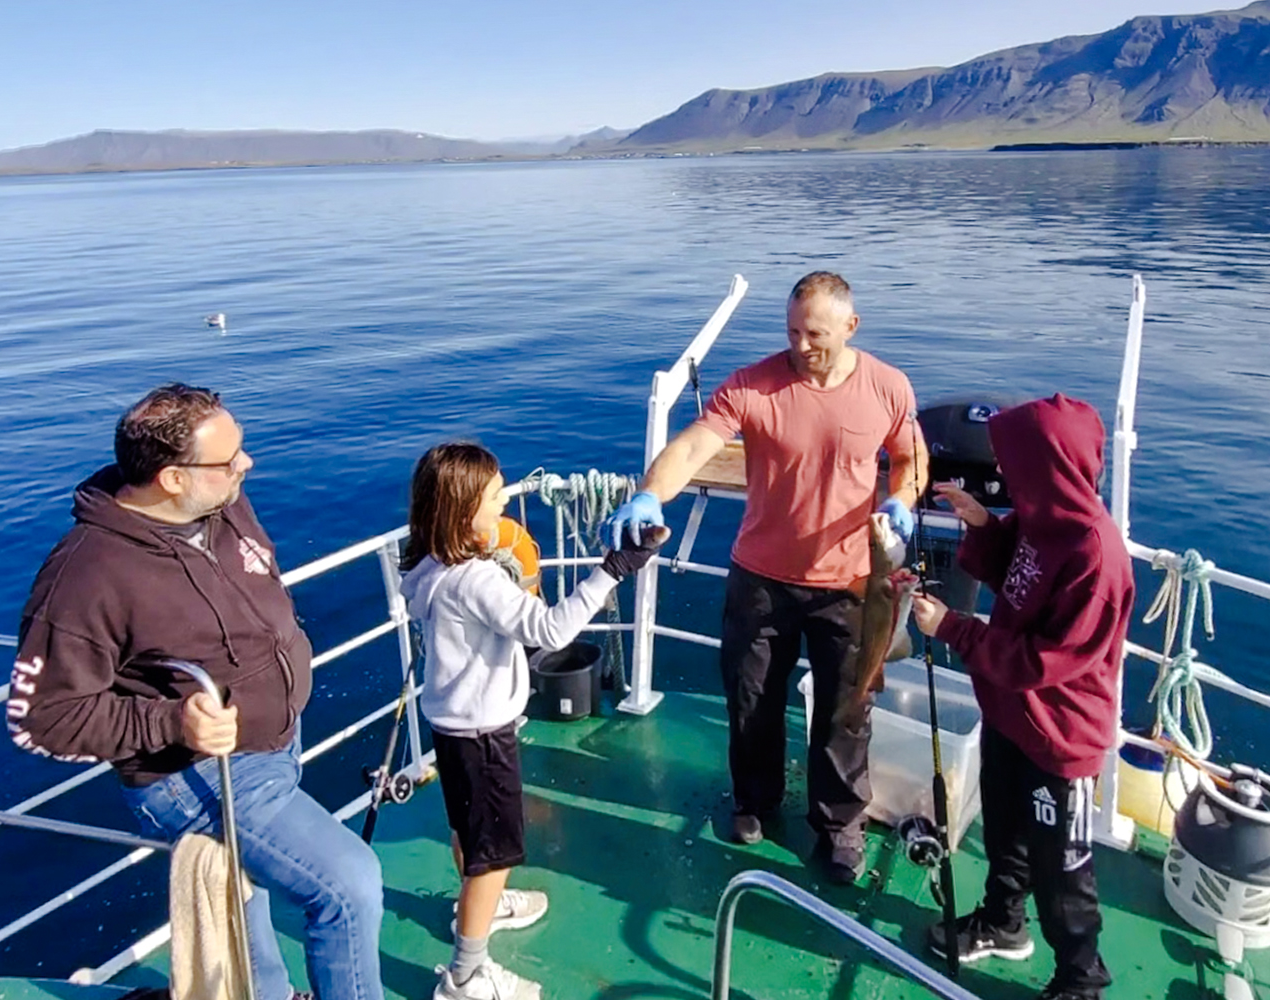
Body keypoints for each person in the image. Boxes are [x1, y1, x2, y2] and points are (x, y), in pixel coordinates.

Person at [7, 383, 384, 1000]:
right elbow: (39, 719)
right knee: (349, 886)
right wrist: (172, 724)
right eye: (230, 459)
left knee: (247, 901)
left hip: (275, 742)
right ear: (172, 478)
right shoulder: (85, 576)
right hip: (197, 771)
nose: (247, 465)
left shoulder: (222, 505)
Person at [604, 271, 928, 883]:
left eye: (816, 334)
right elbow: (697, 443)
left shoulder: (888, 386)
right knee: (752, 701)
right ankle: (755, 801)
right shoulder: (755, 383)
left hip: (851, 583)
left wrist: (904, 499)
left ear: (850, 327)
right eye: (792, 331)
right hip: (760, 578)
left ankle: (840, 824)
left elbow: (910, 457)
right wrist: (651, 494)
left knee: (846, 710)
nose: (802, 345)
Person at [400, 443, 663, 1000]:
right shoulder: (475, 580)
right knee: (491, 854)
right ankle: (466, 974)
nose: (504, 506)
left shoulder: (423, 567)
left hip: (449, 729)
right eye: (495, 499)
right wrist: (613, 570)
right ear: (461, 512)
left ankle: (481, 911)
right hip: (484, 736)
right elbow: (550, 631)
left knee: (469, 834)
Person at [909, 394, 1135, 1000]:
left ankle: (1080, 978)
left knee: (1063, 868)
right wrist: (982, 524)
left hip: (1059, 739)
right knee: (1006, 832)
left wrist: (953, 628)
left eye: (1016, 462)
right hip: (1010, 717)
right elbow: (1014, 568)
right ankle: (1003, 922)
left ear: (1051, 466)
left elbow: (1046, 661)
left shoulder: (1096, 557)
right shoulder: (1040, 519)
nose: (1005, 472)